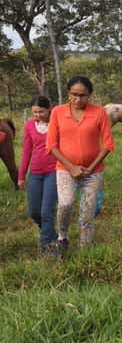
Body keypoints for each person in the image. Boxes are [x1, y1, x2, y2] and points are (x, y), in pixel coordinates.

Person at [46, 76, 114, 255]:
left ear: (89, 95)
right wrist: (71, 167)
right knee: (65, 204)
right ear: (68, 93)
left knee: (87, 212)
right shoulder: (57, 112)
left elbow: (108, 144)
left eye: (83, 95)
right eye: (74, 94)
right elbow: (51, 145)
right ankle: (62, 237)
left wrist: (91, 167)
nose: (78, 99)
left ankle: (85, 252)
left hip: (93, 172)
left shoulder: (99, 112)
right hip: (65, 170)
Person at [18, 96, 58, 254]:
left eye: (41, 112)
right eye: (34, 112)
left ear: (49, 109)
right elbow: (26, 151)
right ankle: (50, 233)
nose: (37, 115)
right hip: (35, 173)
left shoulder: (57, 123)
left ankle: (47, 249)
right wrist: (21, 176)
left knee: (47, 212)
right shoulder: (29, 125)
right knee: (34, 212)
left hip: (53, 172)